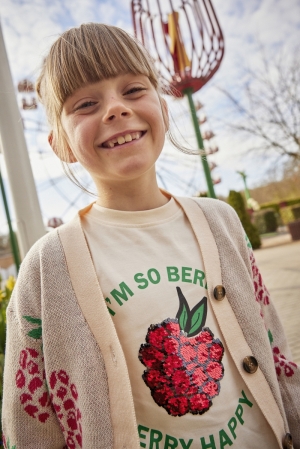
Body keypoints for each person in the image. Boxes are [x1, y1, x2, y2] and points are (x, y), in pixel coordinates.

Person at [2, 23, 299, 449]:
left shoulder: (223, 224)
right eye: (86, 103)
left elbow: (274, 350)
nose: (115, 109)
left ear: (162, 105)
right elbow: (29, 423)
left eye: (134, 90)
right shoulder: (48, 267)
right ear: (60, 144)